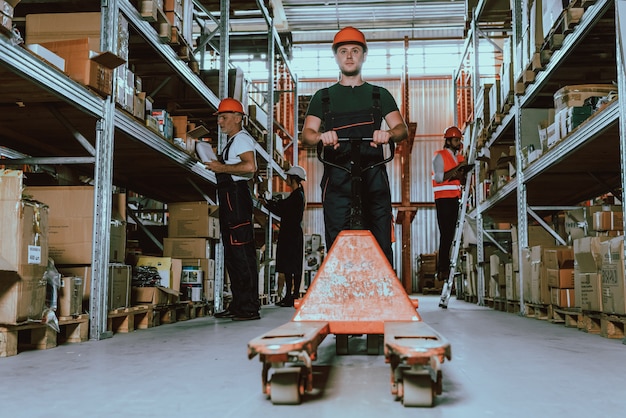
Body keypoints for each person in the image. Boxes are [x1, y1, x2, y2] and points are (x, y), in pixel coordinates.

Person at [301, 26, 408, 265]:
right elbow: (306, 134)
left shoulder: (379, 96)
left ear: (364, 55)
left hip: (373, 174)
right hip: (337, 177)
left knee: (379, 238)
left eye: (355, 50)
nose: (349, 56)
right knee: (338, 239)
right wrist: (321, 137)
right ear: (336, 56)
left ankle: (381, 297)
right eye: (343, 51)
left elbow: (402, 130)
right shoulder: (323, 97)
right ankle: (342, 297)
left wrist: (387, 134)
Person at [204, 97, 260, 321]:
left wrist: (221, 167)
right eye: (219, 117)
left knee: (241, 253)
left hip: (236, 199)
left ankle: (248, 307)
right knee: (233, 254)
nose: (220, 121)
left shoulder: (242, 140)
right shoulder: (232, 141)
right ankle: (238, 304)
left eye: (224, 117)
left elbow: (250, 167)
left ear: (238, 118)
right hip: (230, 199)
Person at [261, 165, 307, 307]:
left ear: (293, 179)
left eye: (288, 177)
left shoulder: (297, 196)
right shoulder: (297, 195)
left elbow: (282, 208)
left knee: (291, 265)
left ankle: (291, 296)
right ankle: (290, 296)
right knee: (290, 265)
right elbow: (282, 207)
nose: (286, 179)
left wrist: (267, 203)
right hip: (291, 233)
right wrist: (270, 203)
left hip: (291, 234)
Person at [432, 125, 468, 283]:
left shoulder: (460, 158)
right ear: (448, 141)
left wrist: (462, 171)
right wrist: (458, 168)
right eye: (455, 139)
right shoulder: (439, 156)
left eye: (459, 139)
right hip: (443, 199)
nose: (458, 142)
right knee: (446, 235)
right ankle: (442, 269)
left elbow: (461, 178)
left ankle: (446, 267)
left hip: (455, 199)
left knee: (451, 234)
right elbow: (440, 178)